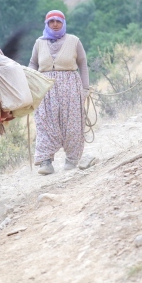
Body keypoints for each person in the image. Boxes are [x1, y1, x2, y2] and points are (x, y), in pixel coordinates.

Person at [29, 10, 89, 175]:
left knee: (72, 124)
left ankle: (71, 159)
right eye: (51, 21)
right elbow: (33, 63)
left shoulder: (74, 41)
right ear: (47, 24)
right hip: (45, 89)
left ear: (63, 23)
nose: (55, 24)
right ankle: (46, 162)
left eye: (58, 21)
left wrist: (85, 88)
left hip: (70, 87)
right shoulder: (39, 43)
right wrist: (31, 84)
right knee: (45, 123)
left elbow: (83, 63)